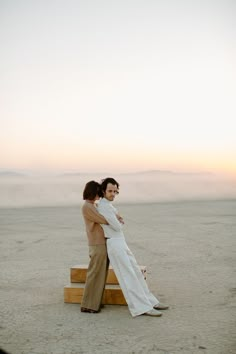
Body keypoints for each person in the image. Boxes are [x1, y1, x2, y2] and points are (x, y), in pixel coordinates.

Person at [97, 177, 169, 317]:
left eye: (115, 191)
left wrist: (118, 220)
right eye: (110, 191)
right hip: (114, 242)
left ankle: (150, 301)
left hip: (120, 241)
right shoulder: (104, 206)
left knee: (135, 272)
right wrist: (118, 220)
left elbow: (119, 224)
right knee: (128, 276)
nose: (113, 194)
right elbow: (118, 226)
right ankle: (141, 307)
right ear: (103, 191)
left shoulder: (110, 206)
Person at [80, 180, 110, 313]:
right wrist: (114, 217)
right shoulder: (87, 206)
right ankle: (88, 305)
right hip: (97, 244)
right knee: (94, 274)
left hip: (100, 243)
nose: (100, 195)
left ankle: (95, 302)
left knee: (100, 274)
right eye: (98, 192)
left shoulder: (92, 205)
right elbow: (103, 219)